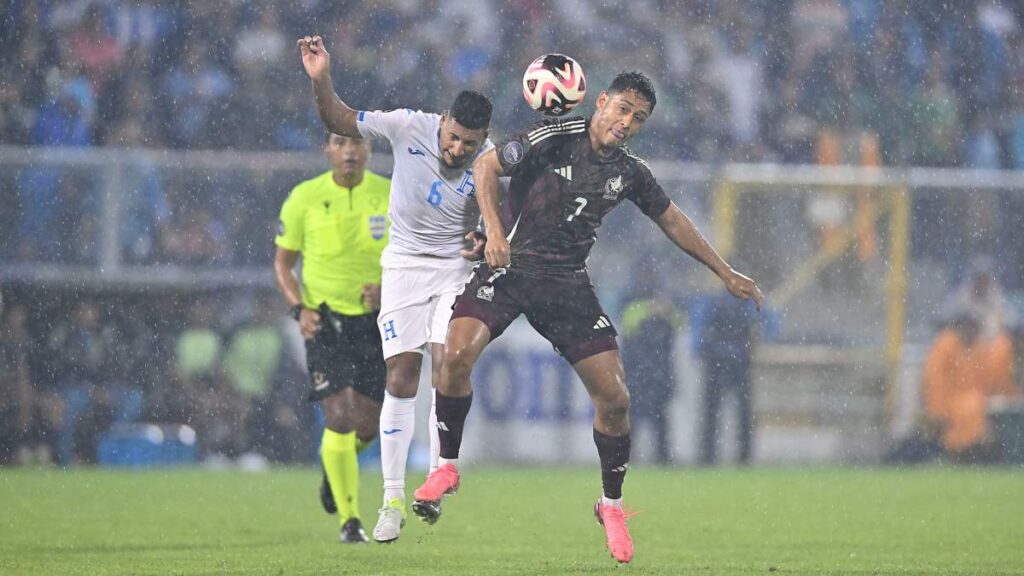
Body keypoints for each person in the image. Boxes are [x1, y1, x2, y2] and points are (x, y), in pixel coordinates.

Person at [413, 71, 762, 564]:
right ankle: (447, 467)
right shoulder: (554, 136)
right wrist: (493, 234)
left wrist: (725, 271)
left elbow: (673, 219)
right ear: (600, 101)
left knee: (616, 398)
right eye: (622, 108)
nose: (627, 122)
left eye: (638, 117)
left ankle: (611, 505)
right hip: (511, 266)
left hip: (566, 284)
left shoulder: (630, 172)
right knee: (453, 355)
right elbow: (488, 168)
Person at [298, 35, 492, 543]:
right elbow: (340, 120)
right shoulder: (410, 125)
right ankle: (390, 500)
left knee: (448, 362)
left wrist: (486, 234)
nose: (457, 150)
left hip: (453, 269)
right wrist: (322, 79)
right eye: (453, 138)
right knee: (401, 378)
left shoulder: (492, 159)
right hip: (404, 268)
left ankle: (435, 478)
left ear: (482, 139)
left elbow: (503, 214)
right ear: (443, 119)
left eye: (469, 145)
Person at [273, 131, 390, 543]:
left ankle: (333, 466)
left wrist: (387, 287)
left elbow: (411, 257)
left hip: (375, 322)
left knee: (367, 427)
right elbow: (284, 264)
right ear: (327, 149)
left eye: (357, 144)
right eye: (341, 143)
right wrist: (298, 309)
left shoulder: (390, 195)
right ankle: (350, 520)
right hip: (323, 321)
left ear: (369, 151)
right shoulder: (304, 197)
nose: (350, 152)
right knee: (338, 416)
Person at [619, 262, 683, 466]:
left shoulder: (665, 300)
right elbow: (627, 323)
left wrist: (664, 310)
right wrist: (652, 309)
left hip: (659, 368)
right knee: (634, 416)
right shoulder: (631, 298)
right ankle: (628, 457)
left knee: (661, 416)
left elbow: (678, 324)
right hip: (638, 367)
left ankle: (662, 456)